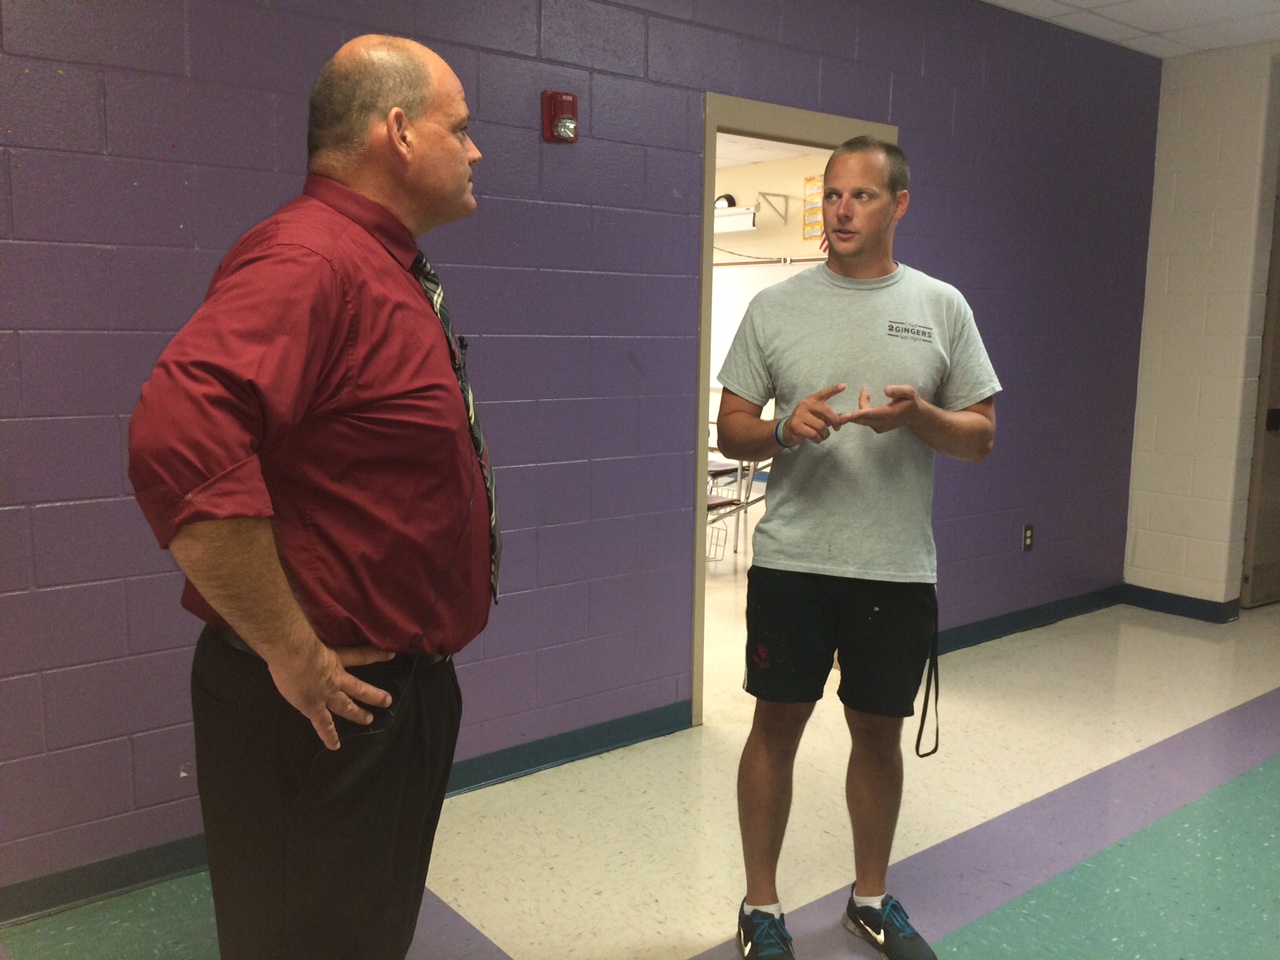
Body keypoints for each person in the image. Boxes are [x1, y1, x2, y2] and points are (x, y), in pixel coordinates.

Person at [128, 35, 497, 960]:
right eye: (464, 128)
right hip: (322, 714)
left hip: (393, 699)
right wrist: (292, 652)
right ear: (400, 132)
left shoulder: (384, 266)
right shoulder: (312, 260)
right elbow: (179, 439)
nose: (477, 149)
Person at [716, 136, 1000, 960]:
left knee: (877, 736)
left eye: (861, 197)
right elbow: (732, 431)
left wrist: (919, 417)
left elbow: (981, 438)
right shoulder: (776, 308)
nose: (841, 210)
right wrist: (780, 429)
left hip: (894, 568)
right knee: (776, 729)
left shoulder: (942, 307)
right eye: (832, 195)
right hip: (793, 564)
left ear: (898, 205)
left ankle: (869, 900)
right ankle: (761, 910)